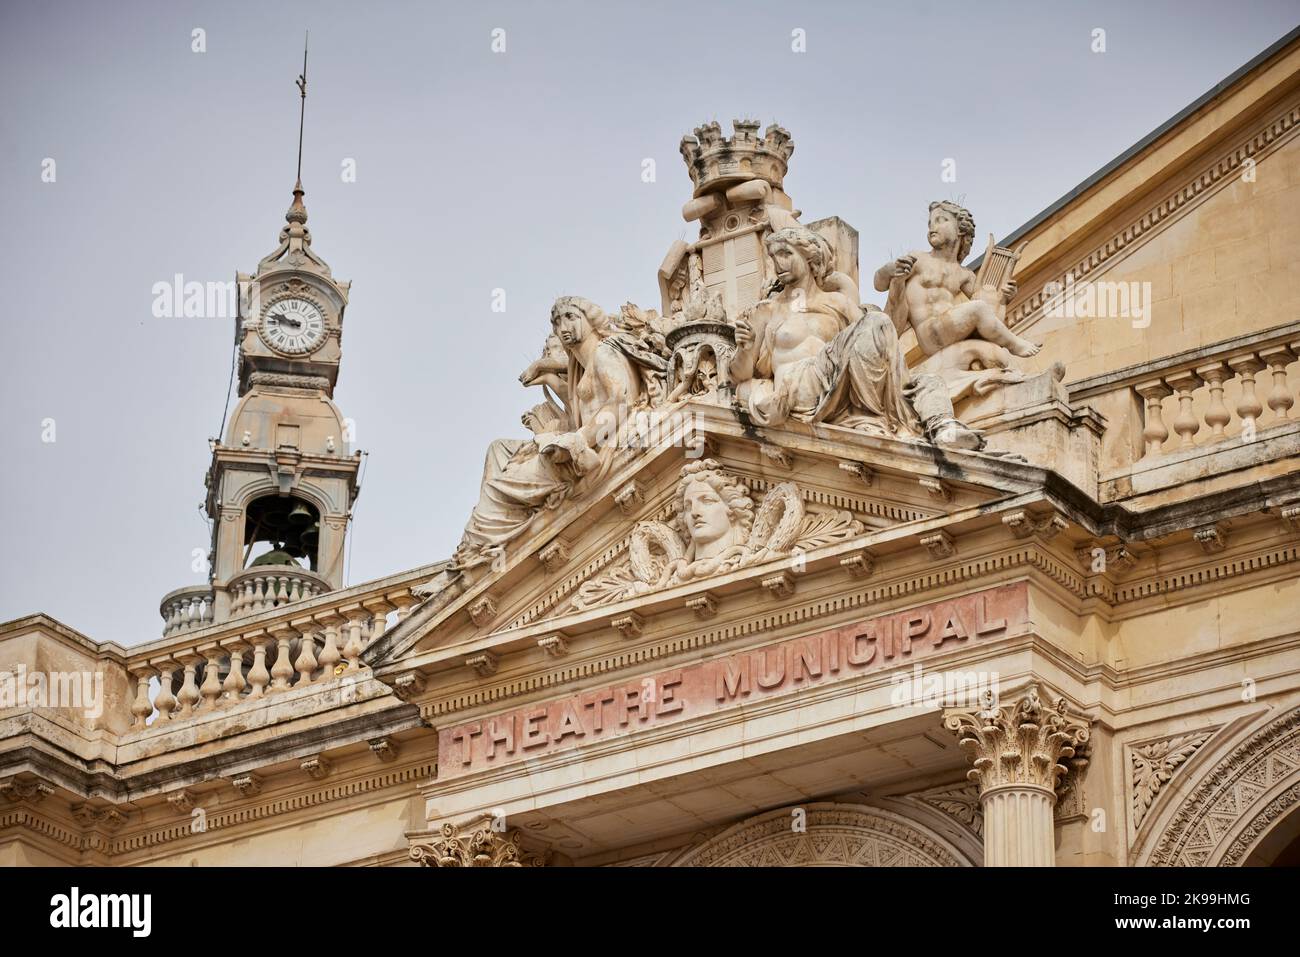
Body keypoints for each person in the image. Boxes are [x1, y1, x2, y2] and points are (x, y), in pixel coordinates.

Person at [730, 225, 982, 450]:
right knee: (872, 322)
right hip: (798, 389)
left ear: (810, 258)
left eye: (786, 254)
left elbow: (882, 337)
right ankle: (881, 410)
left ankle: (943, 427)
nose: (778, 263)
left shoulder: (837, 303)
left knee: (928, 381)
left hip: (837, 385)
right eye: (774, 257)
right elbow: (740, 376)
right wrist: (745, 348)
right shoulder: (767, 310)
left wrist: (897, 285)